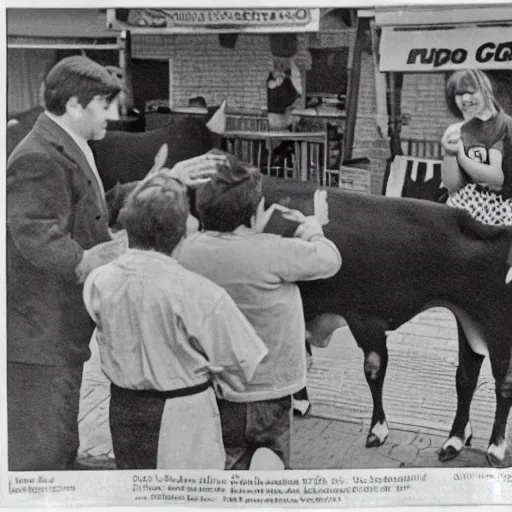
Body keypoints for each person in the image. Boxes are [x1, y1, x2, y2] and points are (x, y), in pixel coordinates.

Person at [82, 168, 268, 470]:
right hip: (184, 413)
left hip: (123, 408)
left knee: (134, 492)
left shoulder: (99, 280)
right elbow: (244, 364)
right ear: (182, 232)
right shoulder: (201, 293)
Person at [177, 154, 342, 469]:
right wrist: (313, 229)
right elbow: (328, 259)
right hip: (271, 387)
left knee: (227, 460)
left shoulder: (187, 251)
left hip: (218, 386)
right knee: (271, 461)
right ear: (253, 218)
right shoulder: (273, 250)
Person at [6, 56, 123, 471]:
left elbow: (87, 207)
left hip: (57, 330)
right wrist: (90, 260)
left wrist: (165, 180)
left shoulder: (68, 144)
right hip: (40, 331)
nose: (114, 114)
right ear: (76, 105)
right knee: (41, 449)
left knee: (57, 433)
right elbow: (34, 231)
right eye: (105, 104)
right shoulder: (38, 156)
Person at [441, 68, 512, 225]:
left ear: (485, 91)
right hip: (464, 211)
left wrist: (461, 155)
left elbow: (495, 180)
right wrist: (449, 153)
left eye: (471, 92)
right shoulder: (456, 131)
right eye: (458, 94)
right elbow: (452, 186)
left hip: (501, 212)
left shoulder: (504, 125)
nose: (465, 99)